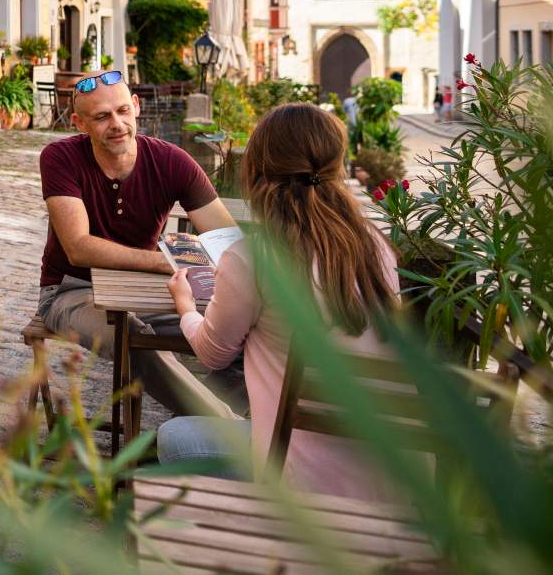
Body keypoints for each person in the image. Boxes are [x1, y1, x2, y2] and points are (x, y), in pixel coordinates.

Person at [157, 102, 402, 500]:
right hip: (387, 476)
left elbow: (212, 354)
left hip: (297, 475)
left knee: (174, 438)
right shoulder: (375, 244)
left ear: (255, 170)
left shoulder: (255, 257)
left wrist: (186, 307)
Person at [38, 71, 241, 417]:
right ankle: (229, 431)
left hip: (142, 291)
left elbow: (227, 240)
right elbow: (79, 247)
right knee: (131, 336)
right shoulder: (60, 158)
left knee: (241, 326)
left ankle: (232, 423)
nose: (116, 124)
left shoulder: (172, 161)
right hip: (70, 290)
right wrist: (166, 261)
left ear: (136, 107)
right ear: (79, 123)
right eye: (101, 117)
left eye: (122, 111)